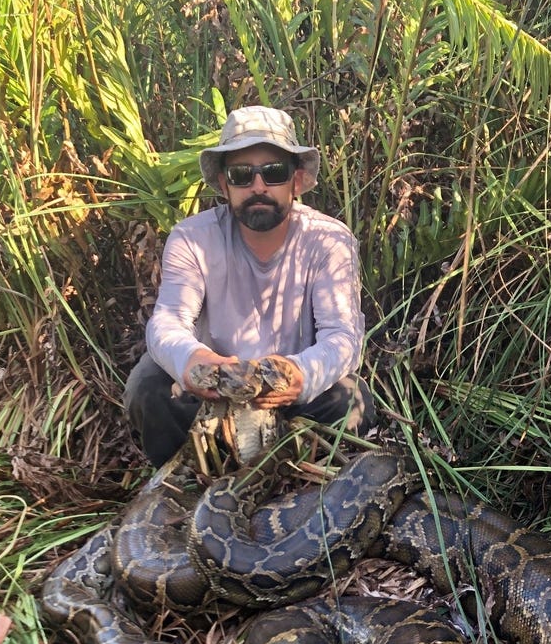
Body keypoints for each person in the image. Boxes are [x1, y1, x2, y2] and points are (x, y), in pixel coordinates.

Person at [124, 105, 375, 466]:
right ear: (225, 185)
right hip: (213, 397)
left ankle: (314, 489)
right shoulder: (192, 239)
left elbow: (344, 337)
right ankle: (187, 482)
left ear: (297, 180)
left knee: (353, 399)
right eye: (242, 175)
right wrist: (194, 361)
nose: (258, 187)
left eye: (274, 173)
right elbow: (166, 324)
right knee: (147, 384)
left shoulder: (329, 240)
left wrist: (301, 374)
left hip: (292, 399)